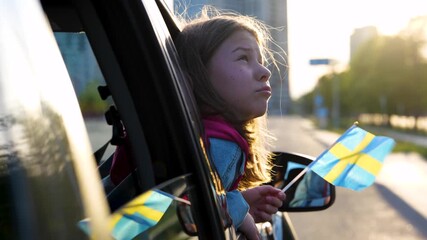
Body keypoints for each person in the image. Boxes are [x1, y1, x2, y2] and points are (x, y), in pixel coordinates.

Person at [175, 6, 286, 239]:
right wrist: (240, 213)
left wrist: (238, 199)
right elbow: (192, 210)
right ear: (199, 75)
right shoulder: (221, 145)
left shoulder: (194, 136)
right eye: (243, 58)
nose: (265, 71)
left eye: (261, 60)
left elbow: (197, 198)